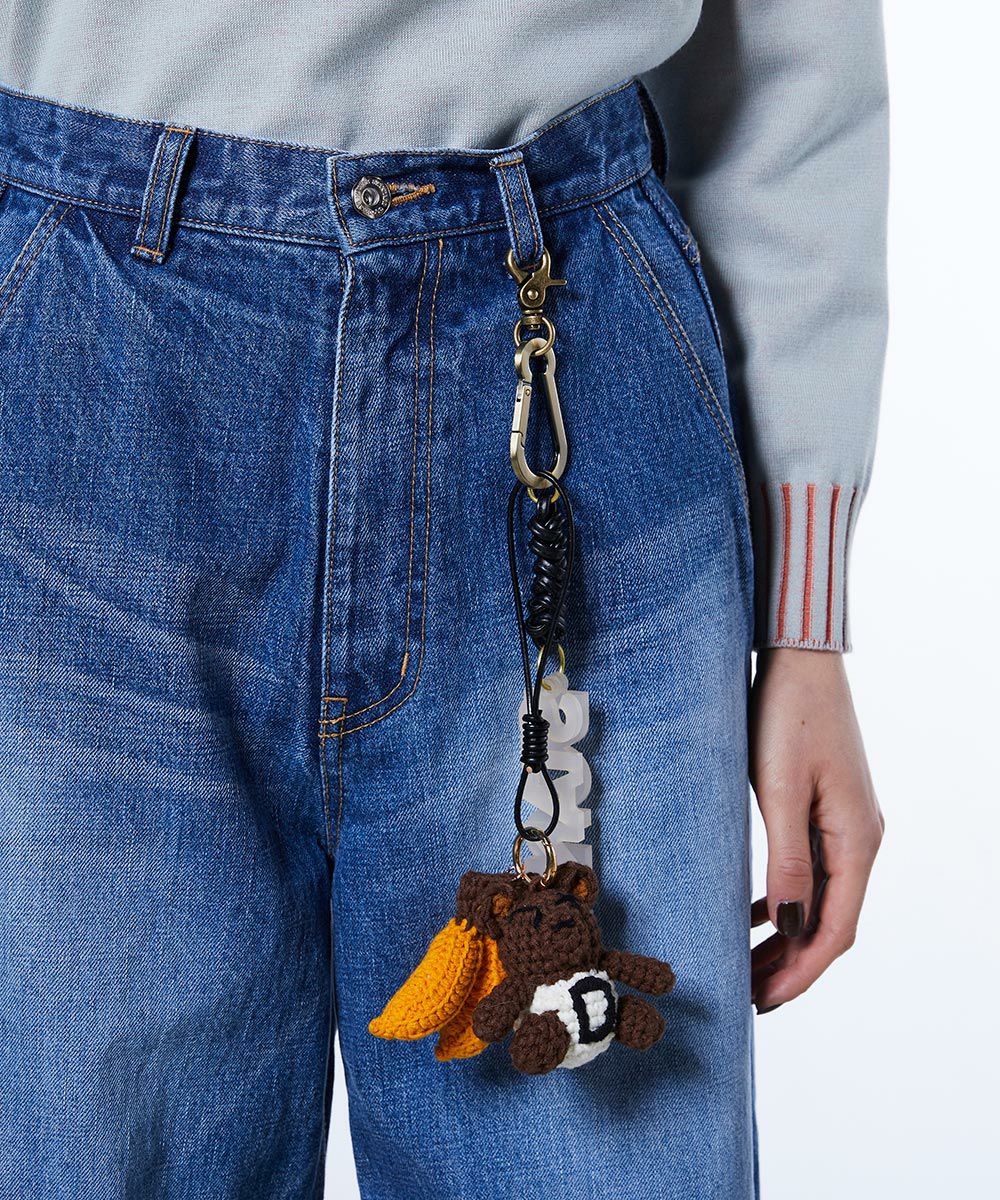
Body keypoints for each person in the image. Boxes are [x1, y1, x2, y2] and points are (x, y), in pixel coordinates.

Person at [0, 3, 886, 1197]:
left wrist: (803, 623)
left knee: (592, 1136)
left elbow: (794, 54)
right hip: (84, 391)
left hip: (572, 354)